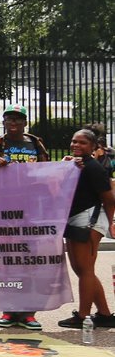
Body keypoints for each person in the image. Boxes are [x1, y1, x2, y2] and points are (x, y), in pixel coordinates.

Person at [0, 105, 50, 330]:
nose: (14, 124)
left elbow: (48, 173)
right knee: (4, 263)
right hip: (1, 213)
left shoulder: (35, 144)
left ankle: (28, 313)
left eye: (18, 119)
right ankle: (8, 310)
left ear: (25, 122)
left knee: (29, 263)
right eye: (10, 119)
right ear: (4, 122)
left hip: (30, 213)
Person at [56, 129, 115, 329]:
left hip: (89, 220)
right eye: (74, 141)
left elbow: (109, 198)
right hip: (75, 219)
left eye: (82, 143)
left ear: (92, 147)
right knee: (81, 269)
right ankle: (105, 314)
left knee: (86, 269)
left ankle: (83, 316)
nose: (76, 145)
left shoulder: (93, 168)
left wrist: (111, 222)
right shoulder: (76, 165)